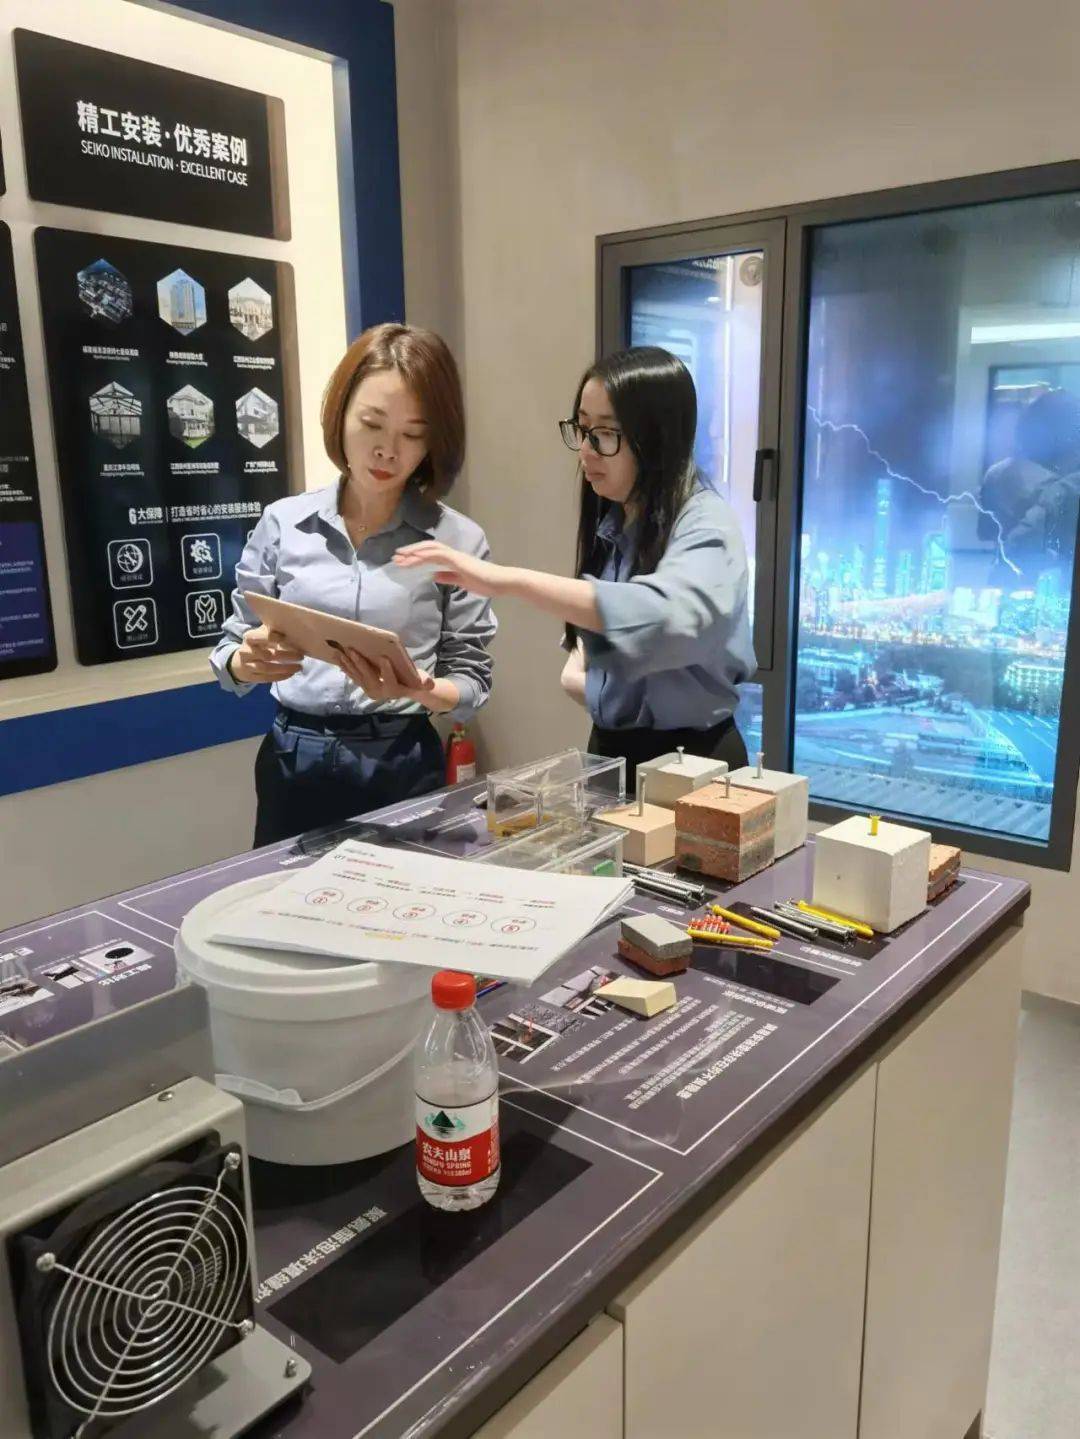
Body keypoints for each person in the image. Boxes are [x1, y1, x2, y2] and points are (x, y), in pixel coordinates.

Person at [394, 346, 754, 784]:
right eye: (582, 429)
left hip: (695, 760)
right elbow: (592, 653)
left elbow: (668, 617)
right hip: (612, 749)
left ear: (656, 437)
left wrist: (506, 580)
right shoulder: (618, 519)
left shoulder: (706, 521)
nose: (585, 450)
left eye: (604, 434)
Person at [211, 324, 497, 846]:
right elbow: (231, 648)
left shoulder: (456, 540)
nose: (388, 450)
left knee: (400, 896)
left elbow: (472, 680)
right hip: (293, 756)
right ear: (340, 414)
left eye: (413, 434)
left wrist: (418, 688)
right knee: (283, 893)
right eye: (372, 424)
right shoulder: (283, 523)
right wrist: (244, 662)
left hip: (400, 757)